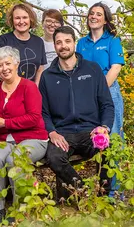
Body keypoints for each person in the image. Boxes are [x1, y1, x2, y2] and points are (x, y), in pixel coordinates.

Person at [39, 26, 114, 198]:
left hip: (90, 131)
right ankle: (84, 193)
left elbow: (107, 105)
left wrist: (104, 127)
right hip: (63, 133)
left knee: (108, 150)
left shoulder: (93, 69)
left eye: (67, 41)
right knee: (54, 157)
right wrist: (51, 131)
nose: (63, 46)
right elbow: (43, 111)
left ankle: (104, 197)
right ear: (55, 46)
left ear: (74, 43)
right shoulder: (47, 76)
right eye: (58, 42)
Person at [0, 46, 48, 226]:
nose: (4, 68)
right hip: (6, 140)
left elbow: (34, 118)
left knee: (15, 160)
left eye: (7, 63)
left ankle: (18, 208)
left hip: (34, 138)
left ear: (16, 64)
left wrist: (5, 123)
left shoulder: (29, 87)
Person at [76, 2, 125, 197]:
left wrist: (99, 92)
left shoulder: (113, 40)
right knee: (96, 140)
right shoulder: (81, 43)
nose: (94, 16)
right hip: (86, 96)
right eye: (91, 13)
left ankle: (114, 193)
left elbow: (116, 68)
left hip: (109, 93)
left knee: (113, 140)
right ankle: (100, 190)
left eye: (98, 14)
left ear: (105, 19)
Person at [0, 3, 47, 86]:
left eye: (25, 17)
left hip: (30, 90)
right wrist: (18, 90)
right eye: (17, 18)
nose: (21, 21)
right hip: (8, 90)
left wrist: (35, 87)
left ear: (30, 19)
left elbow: (40, 68)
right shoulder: (3, 40)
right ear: (12, 20)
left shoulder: (38, 42)